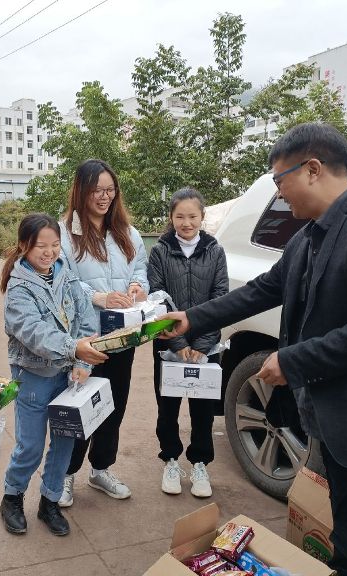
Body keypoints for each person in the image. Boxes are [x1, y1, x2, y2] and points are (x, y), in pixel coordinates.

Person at [162, 122, 347, 576]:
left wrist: (292, 361)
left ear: (312, 169)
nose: (278, 193)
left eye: (280, 180)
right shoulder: (310, 236)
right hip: (341, 428)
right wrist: (193, 318)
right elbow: (262, 290)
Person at [0, 213, 107, 536]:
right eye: (40, 246)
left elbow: (86, 319)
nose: (49, 253)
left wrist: (82, 364)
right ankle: (12, 496)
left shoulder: (65, 273)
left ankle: (50, 500)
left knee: (64, 442)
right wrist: (75, 349)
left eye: (55, 245)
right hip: (33, 376)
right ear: (24, 246)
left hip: (68, 375)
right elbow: (34, 333)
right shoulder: (18, 288)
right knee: (30, 446)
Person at [57, 158, 149, 507]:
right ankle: (65, 473)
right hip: (86, 338)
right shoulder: (64, 234)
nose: (104, 197)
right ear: (81, 191)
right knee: (79, 406)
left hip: (122, 336)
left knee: (113, 407)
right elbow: (61, 281)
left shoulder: (128, 233)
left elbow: (140, 268)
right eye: (96, 190)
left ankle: (101, 469)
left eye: (110, 190)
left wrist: (137, 286)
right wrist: (99, 297)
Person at [146, 187, 229, 498]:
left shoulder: (215, 251)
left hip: (207, 347)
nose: (186, 223)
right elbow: (157, 298)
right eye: (180, 216)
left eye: (192, 216)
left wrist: (202, 345)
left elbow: (221, 299)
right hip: (168, 343)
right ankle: (170, 460)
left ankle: (200, 464)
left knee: (203, 410)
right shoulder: (160, 251)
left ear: (202, 216)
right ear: (171, 217)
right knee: (167, 407)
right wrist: (179, 344)